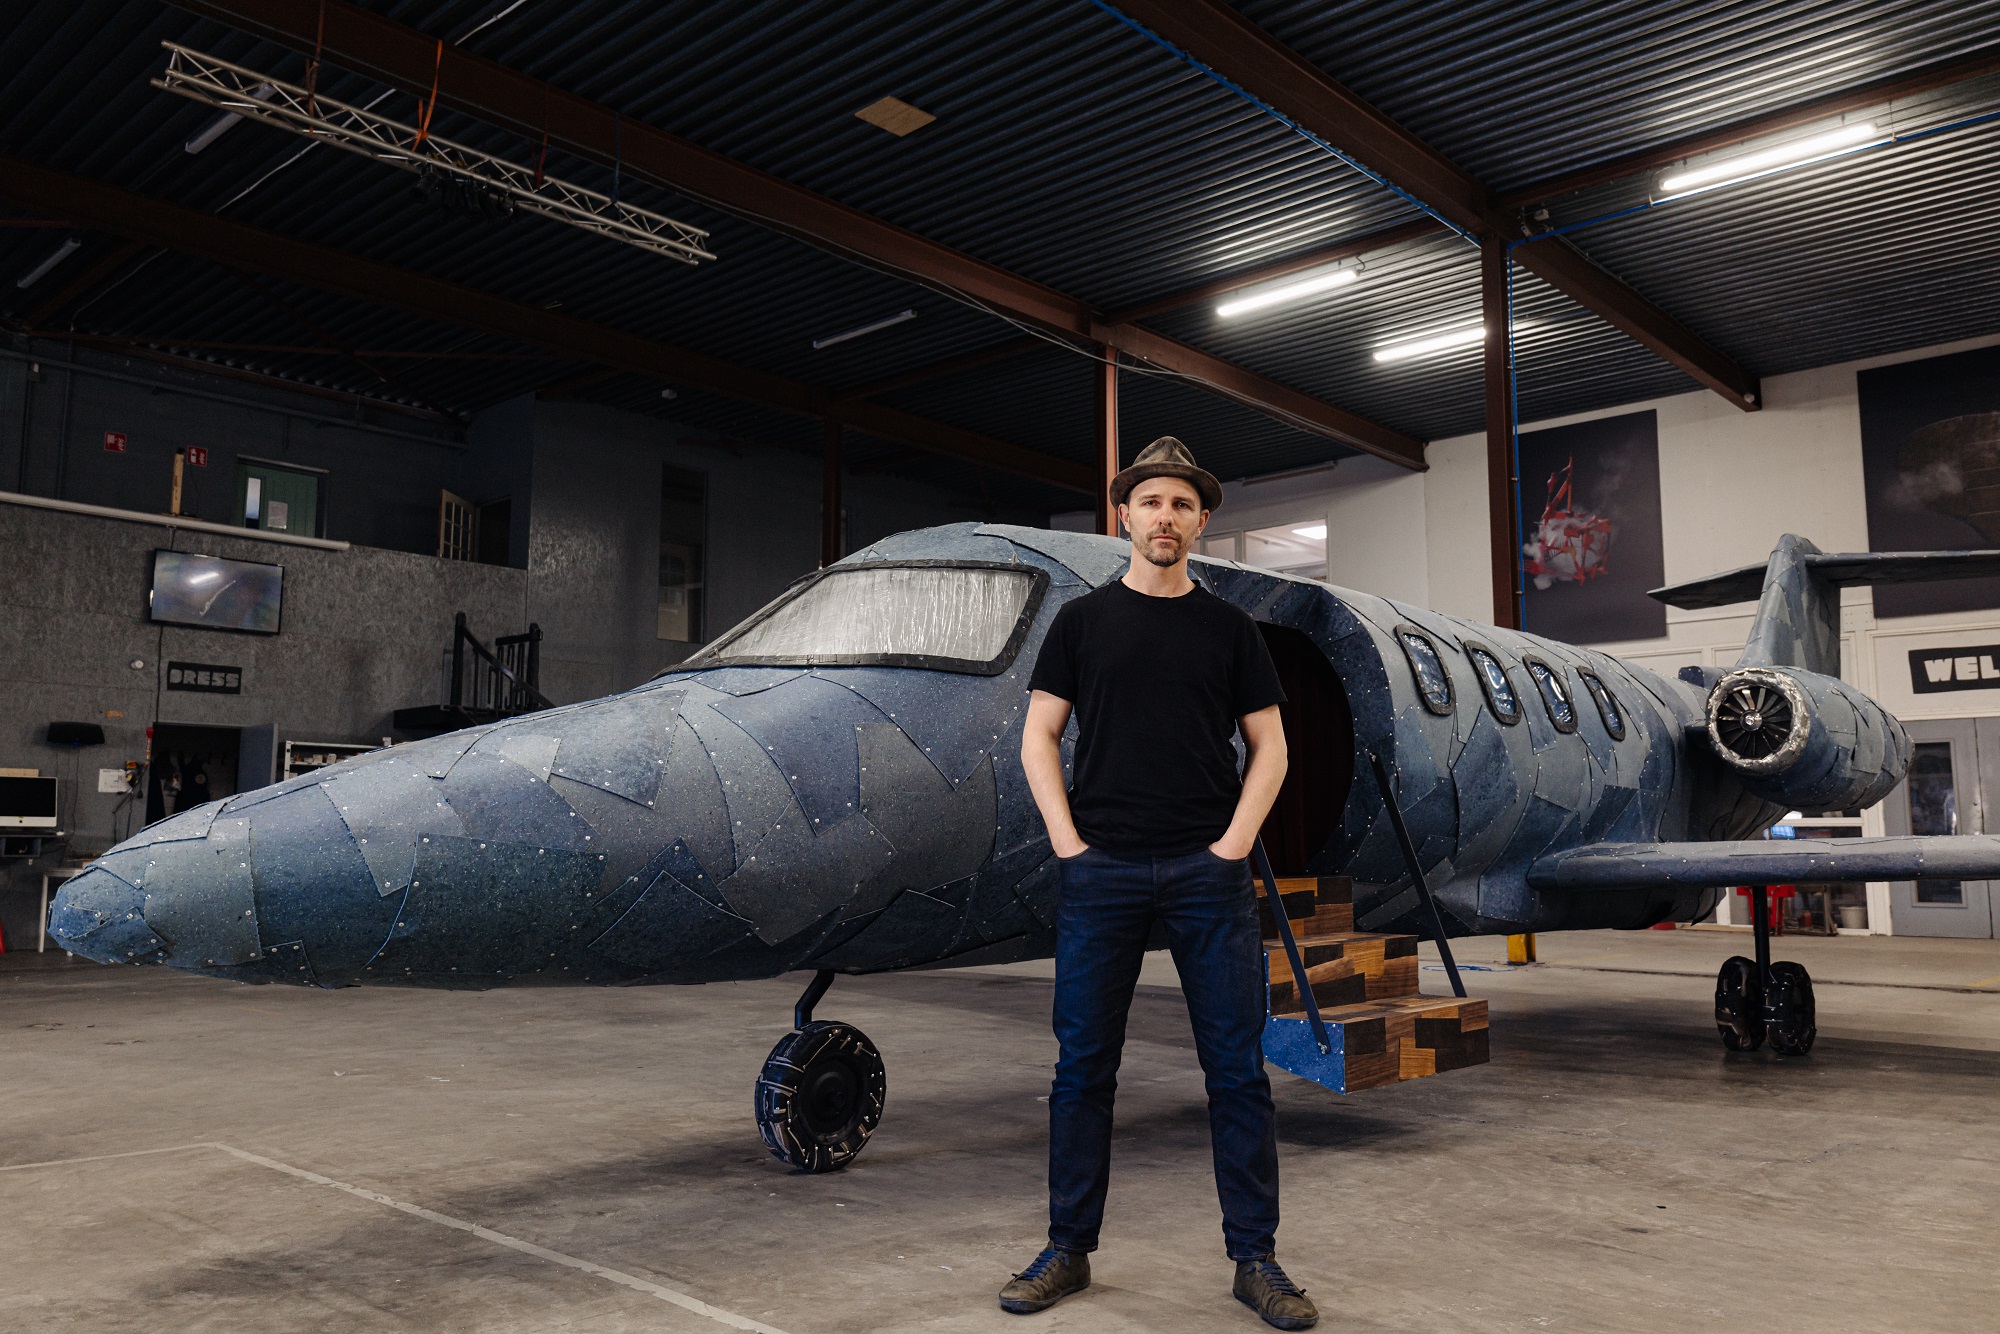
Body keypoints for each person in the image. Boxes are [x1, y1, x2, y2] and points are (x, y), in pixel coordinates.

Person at [1000, 437, 1318, 1330]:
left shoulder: (1231, 631)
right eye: (1151, 503)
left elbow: (1271, 747)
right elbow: (1038, 737)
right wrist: (1068, 843)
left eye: (1181, 504)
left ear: (1200, 521)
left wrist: (1232, 847)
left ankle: (1255, 1259)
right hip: (1099, 869)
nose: (1165, 517)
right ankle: (1068, 1249)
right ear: (1125, 516)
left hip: (1205, 875)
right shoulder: (1081, 623)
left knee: (1236, 1072)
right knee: (1081, 1071)